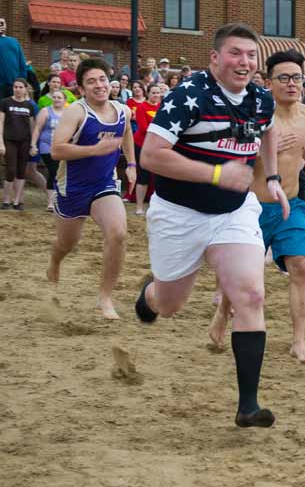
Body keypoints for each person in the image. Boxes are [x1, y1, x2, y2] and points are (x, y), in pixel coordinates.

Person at [134, 23, 287, 428]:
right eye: (236, 53)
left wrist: (271, 178)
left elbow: (268, 132)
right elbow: (151, 155)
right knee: (170, 305)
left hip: (233, 213)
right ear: (215, 58)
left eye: (251, 55)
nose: (245, 62)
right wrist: (216, 174)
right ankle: (149, 294)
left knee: (251, 296)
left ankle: (248, 406)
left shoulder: (260, 98)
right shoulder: (188, 95)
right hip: (178, 213)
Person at [209, 49, 305, 365]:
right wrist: (266, 150)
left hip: (291, 204)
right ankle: (223, 311)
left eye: (297, 78)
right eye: (284, 78)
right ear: (268, 82)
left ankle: (298, 342)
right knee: (246, 276)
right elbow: (230, 157)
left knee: (300, 265)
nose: (291, 84)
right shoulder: (254, 113)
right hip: (249, 207)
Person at [47, 58, 137, 318]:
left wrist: (131, 163)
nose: (99, 85)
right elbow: (56, 150)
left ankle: (105, 298)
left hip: (104, 185)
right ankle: (55, 261)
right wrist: (95, 150)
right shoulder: (76, 111)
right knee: (67, 243)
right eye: (91, 82)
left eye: (102, 79)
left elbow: (126, 132)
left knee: (118, 233)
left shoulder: (123, 110)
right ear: (82, 88)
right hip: (72, 187)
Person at [0, 78, 36, 209]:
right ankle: (6, 200)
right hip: (9, 140)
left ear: (25, 89)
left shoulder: (29, 105)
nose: (18, 89)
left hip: (25, 141)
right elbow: (1, 123)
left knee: (21, 171)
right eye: (15, 87)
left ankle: (17, 201)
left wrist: (33, 144)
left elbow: (32, 127)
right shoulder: (5, 102)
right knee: (11, 170)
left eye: (21, 87)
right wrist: (1, 143)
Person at [31, 90, 66, 210]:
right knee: (54, 171)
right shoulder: (46, 111)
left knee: (60, 173)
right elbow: (37, 129)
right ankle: (51, 201)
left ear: (64, 100)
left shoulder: (67, 113)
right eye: (54, 97)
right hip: (47, 146)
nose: (56, 99)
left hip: (62, 147)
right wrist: (33, 145)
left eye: (59, 97)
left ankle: (60, 199)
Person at [133, 84, 162, 215]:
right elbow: (144, 128)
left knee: (158, 176)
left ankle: (156, 206)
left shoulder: (162, 107)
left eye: (158, 93)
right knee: (143, 176)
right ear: (148, 94)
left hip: (157, 145)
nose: (156, 95)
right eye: (153, 93)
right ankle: (139, 207)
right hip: (142, 144)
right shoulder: (141, 107)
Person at [0, 18, 27, 99]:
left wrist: (22, 81)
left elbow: (21, 62)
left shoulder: (14, 41)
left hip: (14, 85)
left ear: (5, 26)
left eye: (2, 23)